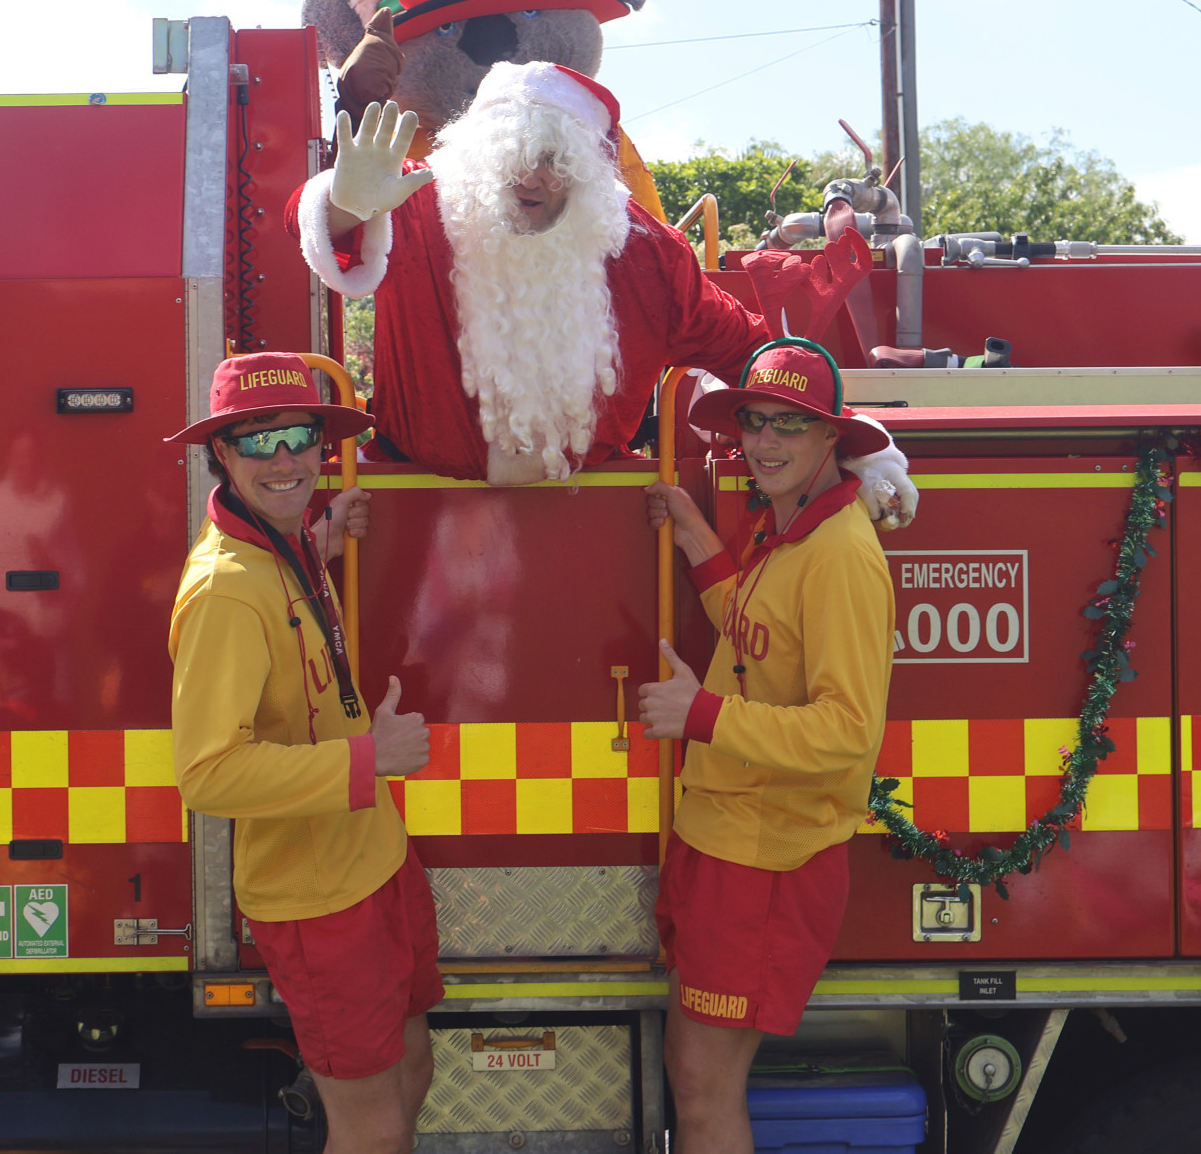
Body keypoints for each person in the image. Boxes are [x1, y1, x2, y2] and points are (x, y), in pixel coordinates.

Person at [285, 63, 914, 526]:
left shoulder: (640, 247)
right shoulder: (417, 207)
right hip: (416, 512)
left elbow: (751, 353)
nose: (531, 177)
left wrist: (853, 440)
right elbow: (310, 227)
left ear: (587, 167)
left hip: (592, 519)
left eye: (554, 159)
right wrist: (346, 201)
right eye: (513, 156)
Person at [167, 352, 438, 1154]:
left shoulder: (281, 545)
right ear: (222, 454)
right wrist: (368, 761)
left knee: (415, 1070)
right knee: (373, 1129)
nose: (283, 460)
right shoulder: (225, 589)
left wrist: (323, 534)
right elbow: (207, 771)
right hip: (319, 902)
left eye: (298, 436)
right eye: (257, 441)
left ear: (322, 445)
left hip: (375, 862)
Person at [637, 338, 897, 1154]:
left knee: (706, 1088)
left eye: (791, 423)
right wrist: (695, 539)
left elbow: (847, 731)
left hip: (769, 861)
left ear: (832, 438)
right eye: (755, 422)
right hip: (729, 842)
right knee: (695, 1074)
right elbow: (754, 637)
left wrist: (702, 714)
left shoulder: (842, 556)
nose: (766, 442)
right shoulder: (785, 528)